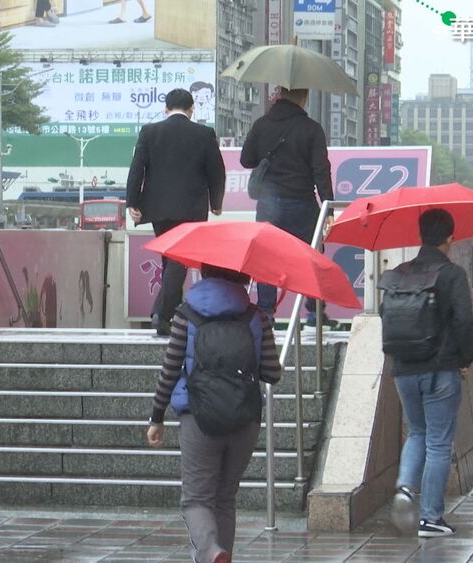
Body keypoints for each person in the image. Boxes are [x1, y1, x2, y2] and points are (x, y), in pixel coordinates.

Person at [146, 265, 281, 563]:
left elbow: (169, 370)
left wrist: (157, 417)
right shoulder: (255, 315)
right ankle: (222, 555)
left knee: (196, 499)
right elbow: (273, 373)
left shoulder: (186, 314)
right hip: (244, 418)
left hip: (198, 418)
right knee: (224, 498)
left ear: (204, 271)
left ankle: (210, 551)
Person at [388, 209, 473, 538]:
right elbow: (464, 321)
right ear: (450, 239)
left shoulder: (400, 272)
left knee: (417, 432)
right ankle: (431, 518)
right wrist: (465, 358)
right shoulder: (452, 275)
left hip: (403, 368)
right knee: (439, 442)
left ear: (421, 235)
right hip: (441, 369)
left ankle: (405, 488)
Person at [126, 88, 226, 335]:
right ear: (192, 109)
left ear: (166, 109)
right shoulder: (204, 134)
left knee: (171, 258)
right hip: (191, 208)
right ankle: (162, 313)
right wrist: (216, 202)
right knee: (178, 260)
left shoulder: (150, 132)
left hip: (157, 208)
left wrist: (132, 203)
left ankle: (168, 315)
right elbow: (217, 171)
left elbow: (137, 168)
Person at [240, 88, 334, 325]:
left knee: (266, 258)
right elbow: (321, 171)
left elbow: (246, 159)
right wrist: (328, 207)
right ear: (304, 98)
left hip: (268, 203)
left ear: (279, 95)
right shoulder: (311, 129)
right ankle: (314, 312)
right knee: (312, 256)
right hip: (302, 202)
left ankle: (265, 313)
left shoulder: (262, 124)